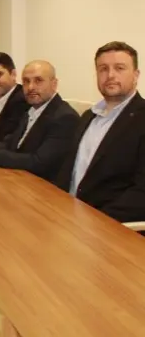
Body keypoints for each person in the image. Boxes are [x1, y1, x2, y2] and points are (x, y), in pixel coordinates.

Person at [55, 41, 145, 223]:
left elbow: (141, 193)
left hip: (110, 226)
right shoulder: (88, 116)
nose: (110, 75)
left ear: (136, 75)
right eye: (103, 69)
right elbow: (69, 170)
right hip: (67, 216)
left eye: (119, 68)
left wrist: (96, 222)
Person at [0, 60, 79, 182]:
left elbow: (39, 162)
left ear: (54, 84)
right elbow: (10, 142)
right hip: (19, 178)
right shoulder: (31, 110)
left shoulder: (65, 117)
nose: (30, 87)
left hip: (43, 187)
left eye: (38, 80)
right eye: (26, 81)